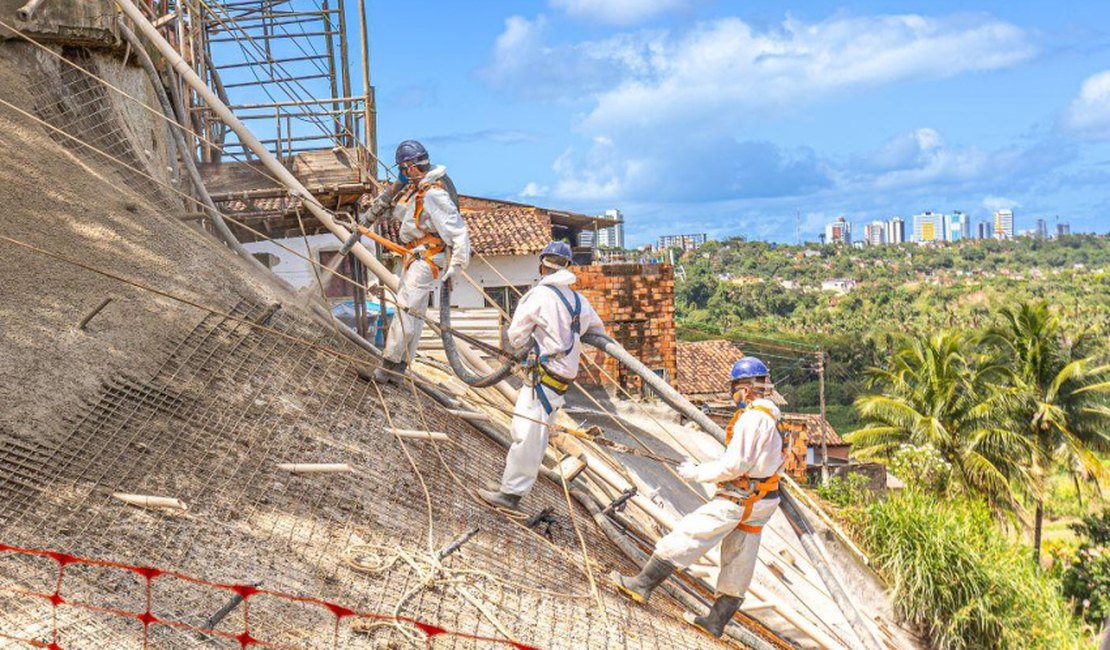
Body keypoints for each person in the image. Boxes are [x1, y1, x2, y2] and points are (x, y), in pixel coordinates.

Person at [611, 357, 783, 638]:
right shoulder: (774, 413)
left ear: (746, 388)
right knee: (740, 559)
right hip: (763, 500)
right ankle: (716, 622)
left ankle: (642, 584)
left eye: (736, 388)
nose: (734, 395)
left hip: (741, 496)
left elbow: (735, 466)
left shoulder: (752, 418)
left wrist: (696, 472)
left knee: (690, 533)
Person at [477, 241, 605, 511]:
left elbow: (515, 335)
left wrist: (537, 338)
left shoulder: (537, 296)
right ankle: (508, 486)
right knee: (528, 433)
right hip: (559, 380)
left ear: (541, 265)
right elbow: (597, 330)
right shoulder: (579, 301)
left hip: (543, 379)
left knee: (527, 435)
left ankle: (511, 495)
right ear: (568, 267)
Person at [373, 140, 470, 383]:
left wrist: (456, 266)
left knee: (405, 309)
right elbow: (403, 214)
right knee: (413, 314)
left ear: (410, 167)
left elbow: (458, 232)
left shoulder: (435, 194)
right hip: (415, 257)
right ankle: (399, 370)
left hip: (425, 259)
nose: (403, 175)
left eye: (403, 170)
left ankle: (386, 367)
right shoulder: (420, 192)